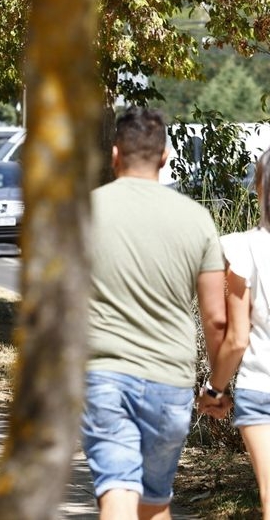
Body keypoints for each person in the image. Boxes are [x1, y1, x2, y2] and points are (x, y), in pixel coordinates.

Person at [82, 106, 226, 520]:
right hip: (170, 384)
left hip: (105, 377)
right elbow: (216, 319)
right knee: (154, 501)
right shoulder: (196, 220)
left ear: (114, 154)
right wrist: (215, 389)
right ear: (165, 157)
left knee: (118, 493)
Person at [199, 148, 270, 519]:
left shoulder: (243, 248)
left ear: (259, 187)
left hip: (263, 386)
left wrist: (215, 390)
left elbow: (237, 337)